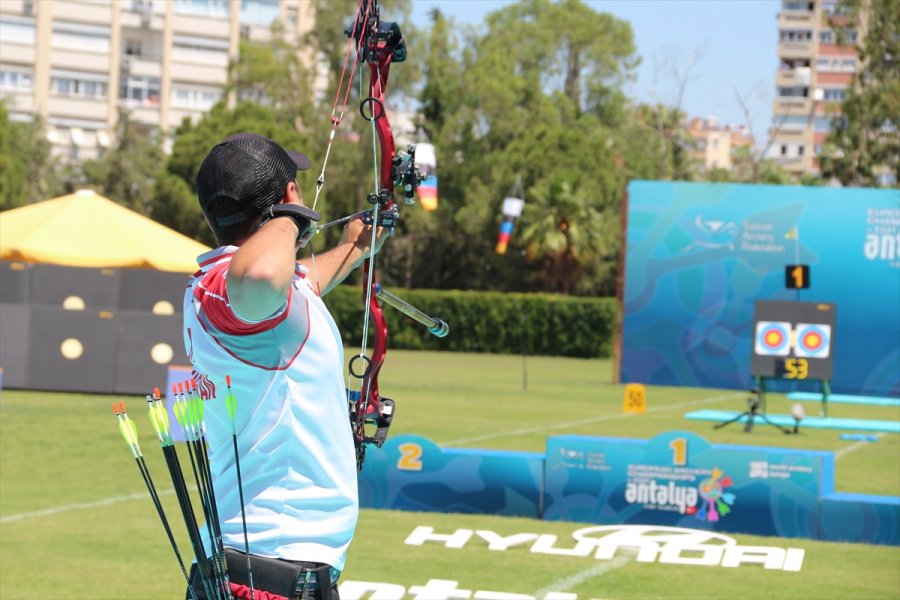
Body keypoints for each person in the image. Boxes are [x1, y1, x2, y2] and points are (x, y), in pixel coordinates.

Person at [182, 133, 387, 600]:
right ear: (290, 196)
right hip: (276, 567)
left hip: (245, 562)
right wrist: (289, 219)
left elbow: (296, 283)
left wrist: (355, 248)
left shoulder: (206, 289)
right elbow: (259, 276)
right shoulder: (239, 291)